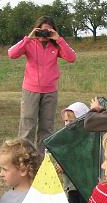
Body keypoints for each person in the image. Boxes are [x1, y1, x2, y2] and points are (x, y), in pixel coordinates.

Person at [8, 16, 76, 149]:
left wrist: (59, 39)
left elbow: (72, 57)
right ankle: (24, 158)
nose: (45, 35)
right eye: (42, 31)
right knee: (28, 125)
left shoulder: (55, 46)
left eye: (48, 32)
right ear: (36, 29)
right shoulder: (29, 43)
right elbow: (12, 54)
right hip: (30, 90)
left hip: (50, 91)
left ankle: (41, 159)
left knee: (47, 127)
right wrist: (29, 37)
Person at [57, 102, 93, 203]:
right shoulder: (66, 138)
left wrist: (65, 164)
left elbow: (83, 159)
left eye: (71, 121)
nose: (67, 124)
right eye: (65, 121)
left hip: (83, 186)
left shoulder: (86, 139)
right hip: (71, 186)